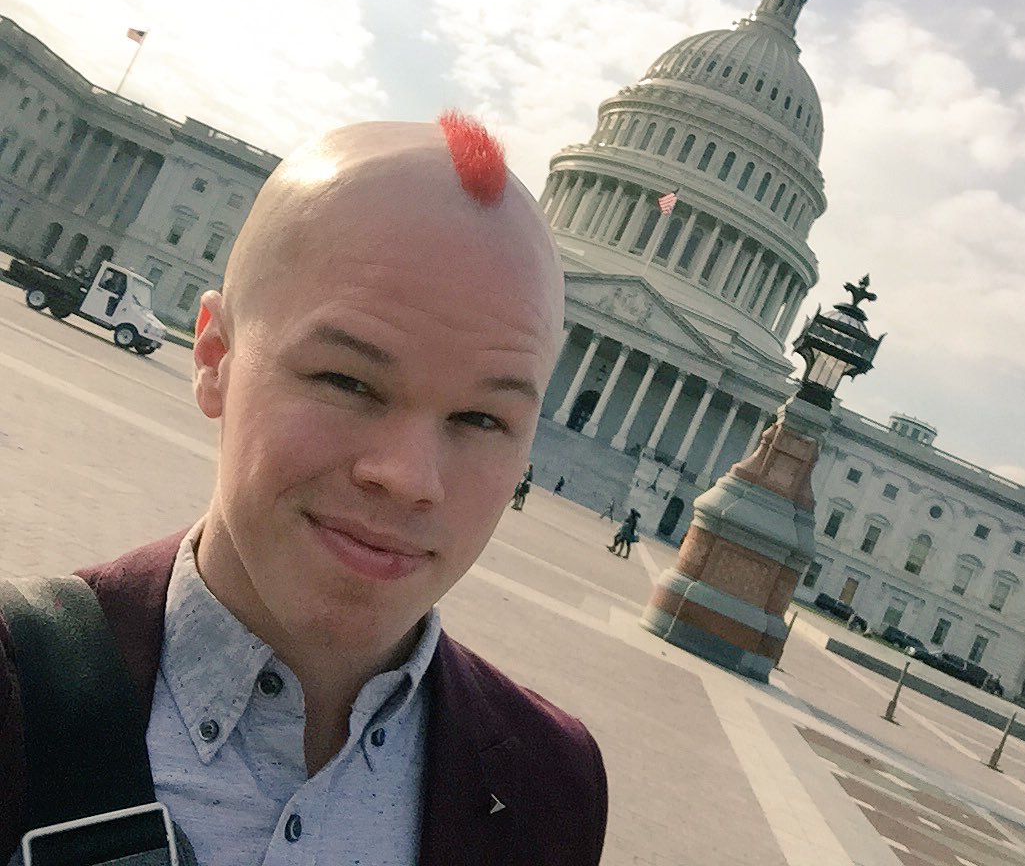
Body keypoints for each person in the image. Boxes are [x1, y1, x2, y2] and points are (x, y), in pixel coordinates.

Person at [0, 115, 608, 865]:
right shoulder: (18, 688)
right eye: (347, 380)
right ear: (214, 356)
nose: (410, 479)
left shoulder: (555, 789)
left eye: (483, 418)